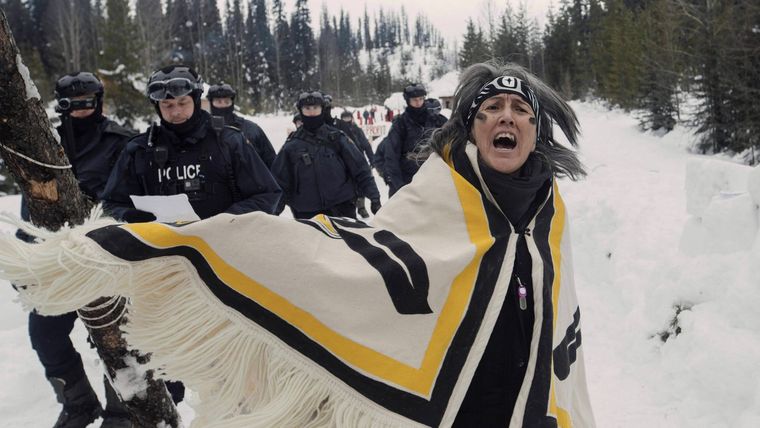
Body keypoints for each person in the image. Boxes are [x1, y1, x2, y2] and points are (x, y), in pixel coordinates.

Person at [413, 62, 592, 426]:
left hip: (528, 402)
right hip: (453, 408)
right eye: (492, 108)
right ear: (471, 128)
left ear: (535, 130)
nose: (507, 117)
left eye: (521, 109)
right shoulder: (430, 197)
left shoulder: (549, 209)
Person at [17, 71, 136, 428]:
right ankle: (78, 401)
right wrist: (28, 258)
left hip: (105, 255)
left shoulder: (122, 142)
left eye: (89, 103)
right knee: (45, 332)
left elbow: (128, 201)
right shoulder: (45, 139)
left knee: (115, 339)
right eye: (74, 104)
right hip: (56, 259)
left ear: (99, 101)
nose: (82, 111)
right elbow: (32, 201)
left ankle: (121, 410)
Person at [271, 91, 381, 219]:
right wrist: (273, 214)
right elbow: (280, 183)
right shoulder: (291, 146)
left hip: (342, 210)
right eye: (307, 109)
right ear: (301, 111)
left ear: (322, 109)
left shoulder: (337, 138)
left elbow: (361, 169)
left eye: (316, 108)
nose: (312, 112)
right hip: (307, 216)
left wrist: (374, 198)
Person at [383, 83, 447, 196]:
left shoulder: (437, 120)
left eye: (421, 99)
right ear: (408, 101)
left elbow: (452, 142)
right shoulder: (400, 123)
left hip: (435, 176)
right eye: (414, 100)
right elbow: (391, 155)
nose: (418, 102)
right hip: (409, 178)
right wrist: (399, 186)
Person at [206, 83, 277, 169]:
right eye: (218, 102)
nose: (223, 105)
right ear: (211, 103)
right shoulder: (202, 131)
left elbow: (272, 163)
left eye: (227, 102)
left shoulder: (252, 130)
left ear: (232, 104)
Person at [331, 110, 375, 218]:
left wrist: (372, 159)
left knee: (361, 184)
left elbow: (366, 145)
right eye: (344, 118)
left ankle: (361, 207)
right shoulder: (336, 132)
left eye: (348, 118)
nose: (346, 120)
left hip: (357, 160)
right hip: (342, 164)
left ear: (352, 118)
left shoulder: (357, 130)